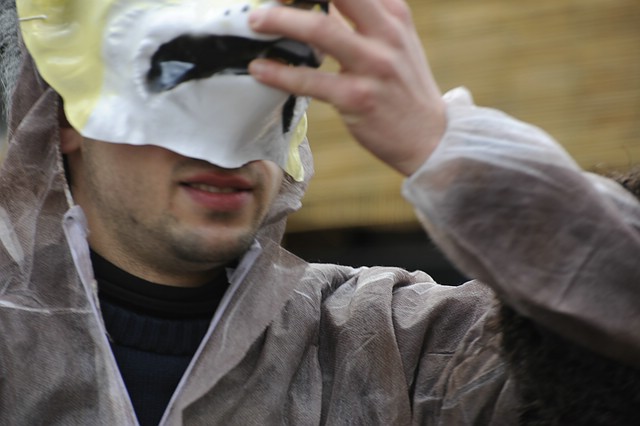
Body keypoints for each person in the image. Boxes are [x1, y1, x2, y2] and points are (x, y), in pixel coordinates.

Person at [1, 0, 639, 425]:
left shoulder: (400, 350)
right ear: (68, 116)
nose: (231, 146)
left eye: (273, 77)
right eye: (186, 74)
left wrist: (450, 149)